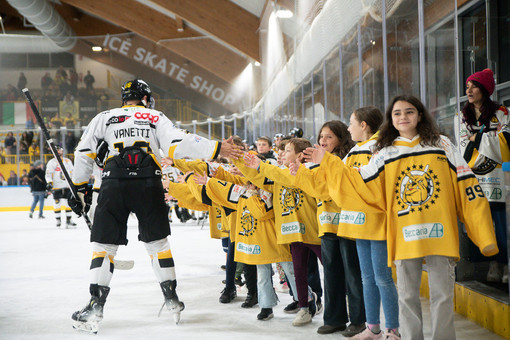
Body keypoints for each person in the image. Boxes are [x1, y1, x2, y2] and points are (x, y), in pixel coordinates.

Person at [303, 95, 498, 340]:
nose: (403, 117)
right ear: (391, 119)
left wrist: (482, 232)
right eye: (397, 113)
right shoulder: (386, 153)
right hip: (405, 235)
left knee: (443, 295)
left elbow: (466, 184)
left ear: (419, 115)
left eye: (409, 112)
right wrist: (328, 163)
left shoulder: (442, 145)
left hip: (441, 232)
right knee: (406, 297)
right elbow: (358, 182)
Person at [68, 79, 241, 334]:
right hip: (149, 181)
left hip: (114, 182)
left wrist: (80, 188)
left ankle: (95, 305)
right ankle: (172, 300)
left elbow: (84, 152)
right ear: (145, 98)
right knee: (158, 243)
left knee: (103, 247)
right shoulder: (153, 116)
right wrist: (216, 147)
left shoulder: (104, 117)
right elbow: (178, 143)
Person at [456, 68, 509, 283]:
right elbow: (463, 149)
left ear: (485, 89)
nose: (468, 90)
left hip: (498, 179)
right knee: (479, 223)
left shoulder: (502, 113)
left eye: (474, 85)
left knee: (500, 222)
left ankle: (502, 264)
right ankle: (488, 264)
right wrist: (486, 139)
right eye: (467, 86)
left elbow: (505, 144)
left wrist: (476, 140)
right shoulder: (461, 116)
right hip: (474, 178)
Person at [45, 146, 76, 228]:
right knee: (57, 204)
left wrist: (74, 183)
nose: (59, 151)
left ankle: (69, 220)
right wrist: (49, 182)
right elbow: (48, 174)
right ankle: (58, 220)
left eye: (60, 150)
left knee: (68, 204)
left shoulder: (68, 161)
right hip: (57, 187)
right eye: (57, 150)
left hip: (67, 186)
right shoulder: (51, 162)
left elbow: (72, 172)